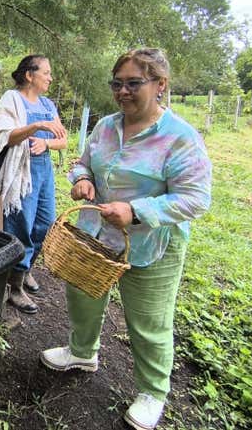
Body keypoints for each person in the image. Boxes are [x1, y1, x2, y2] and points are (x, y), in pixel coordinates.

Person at [39, 48, 212, 430]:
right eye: (117, 83)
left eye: (134, 83)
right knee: (83, 296)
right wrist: (82, 179)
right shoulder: (105, 127)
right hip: (96, 238)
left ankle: (152, 392)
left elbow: (196, 198)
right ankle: (82, 352)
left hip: (150, 246)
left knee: (149, 322)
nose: (123, 91)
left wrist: (135, 212)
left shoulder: (179, 138)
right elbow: (83, 162)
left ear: (160, 85)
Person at [0, 55, 67, 314]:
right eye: (47, 72)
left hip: (43, 171)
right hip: (21, 171)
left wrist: (46, 143)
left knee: (45, 223)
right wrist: (36, 127)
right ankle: (15, 285)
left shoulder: (48, 104)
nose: (50, 78)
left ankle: (27, 268)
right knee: (22, 225)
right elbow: (5, 137)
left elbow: (62, 140)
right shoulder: (12, 99)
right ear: (30, 75)